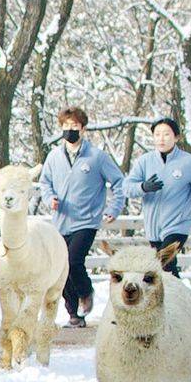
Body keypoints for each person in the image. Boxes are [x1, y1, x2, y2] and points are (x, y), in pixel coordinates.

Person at [37, 106, 125, 326]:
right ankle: (73, 313)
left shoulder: (96, 157)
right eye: (66, 126)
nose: (70, 130)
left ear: (83, 129)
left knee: (74, 260)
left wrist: (113, 208)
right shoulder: (54, 156)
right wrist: (50, 199)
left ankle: (86, 292)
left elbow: (118, 182)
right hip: (61, 221)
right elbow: (45, 183)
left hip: (86, 219)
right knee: (61, 267)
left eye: (74, 126)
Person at [125, 117, 191, 277]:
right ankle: (175, 298)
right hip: (153, 227)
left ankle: (176, 299)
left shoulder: (187, 162)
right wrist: (143, 187)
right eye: (157, 135)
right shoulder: (144, 161)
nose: (161, 139)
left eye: (166, 134)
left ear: (176, 137)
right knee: (165, 268)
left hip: (178, 224)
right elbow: (127, 188)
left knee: (164, 262)